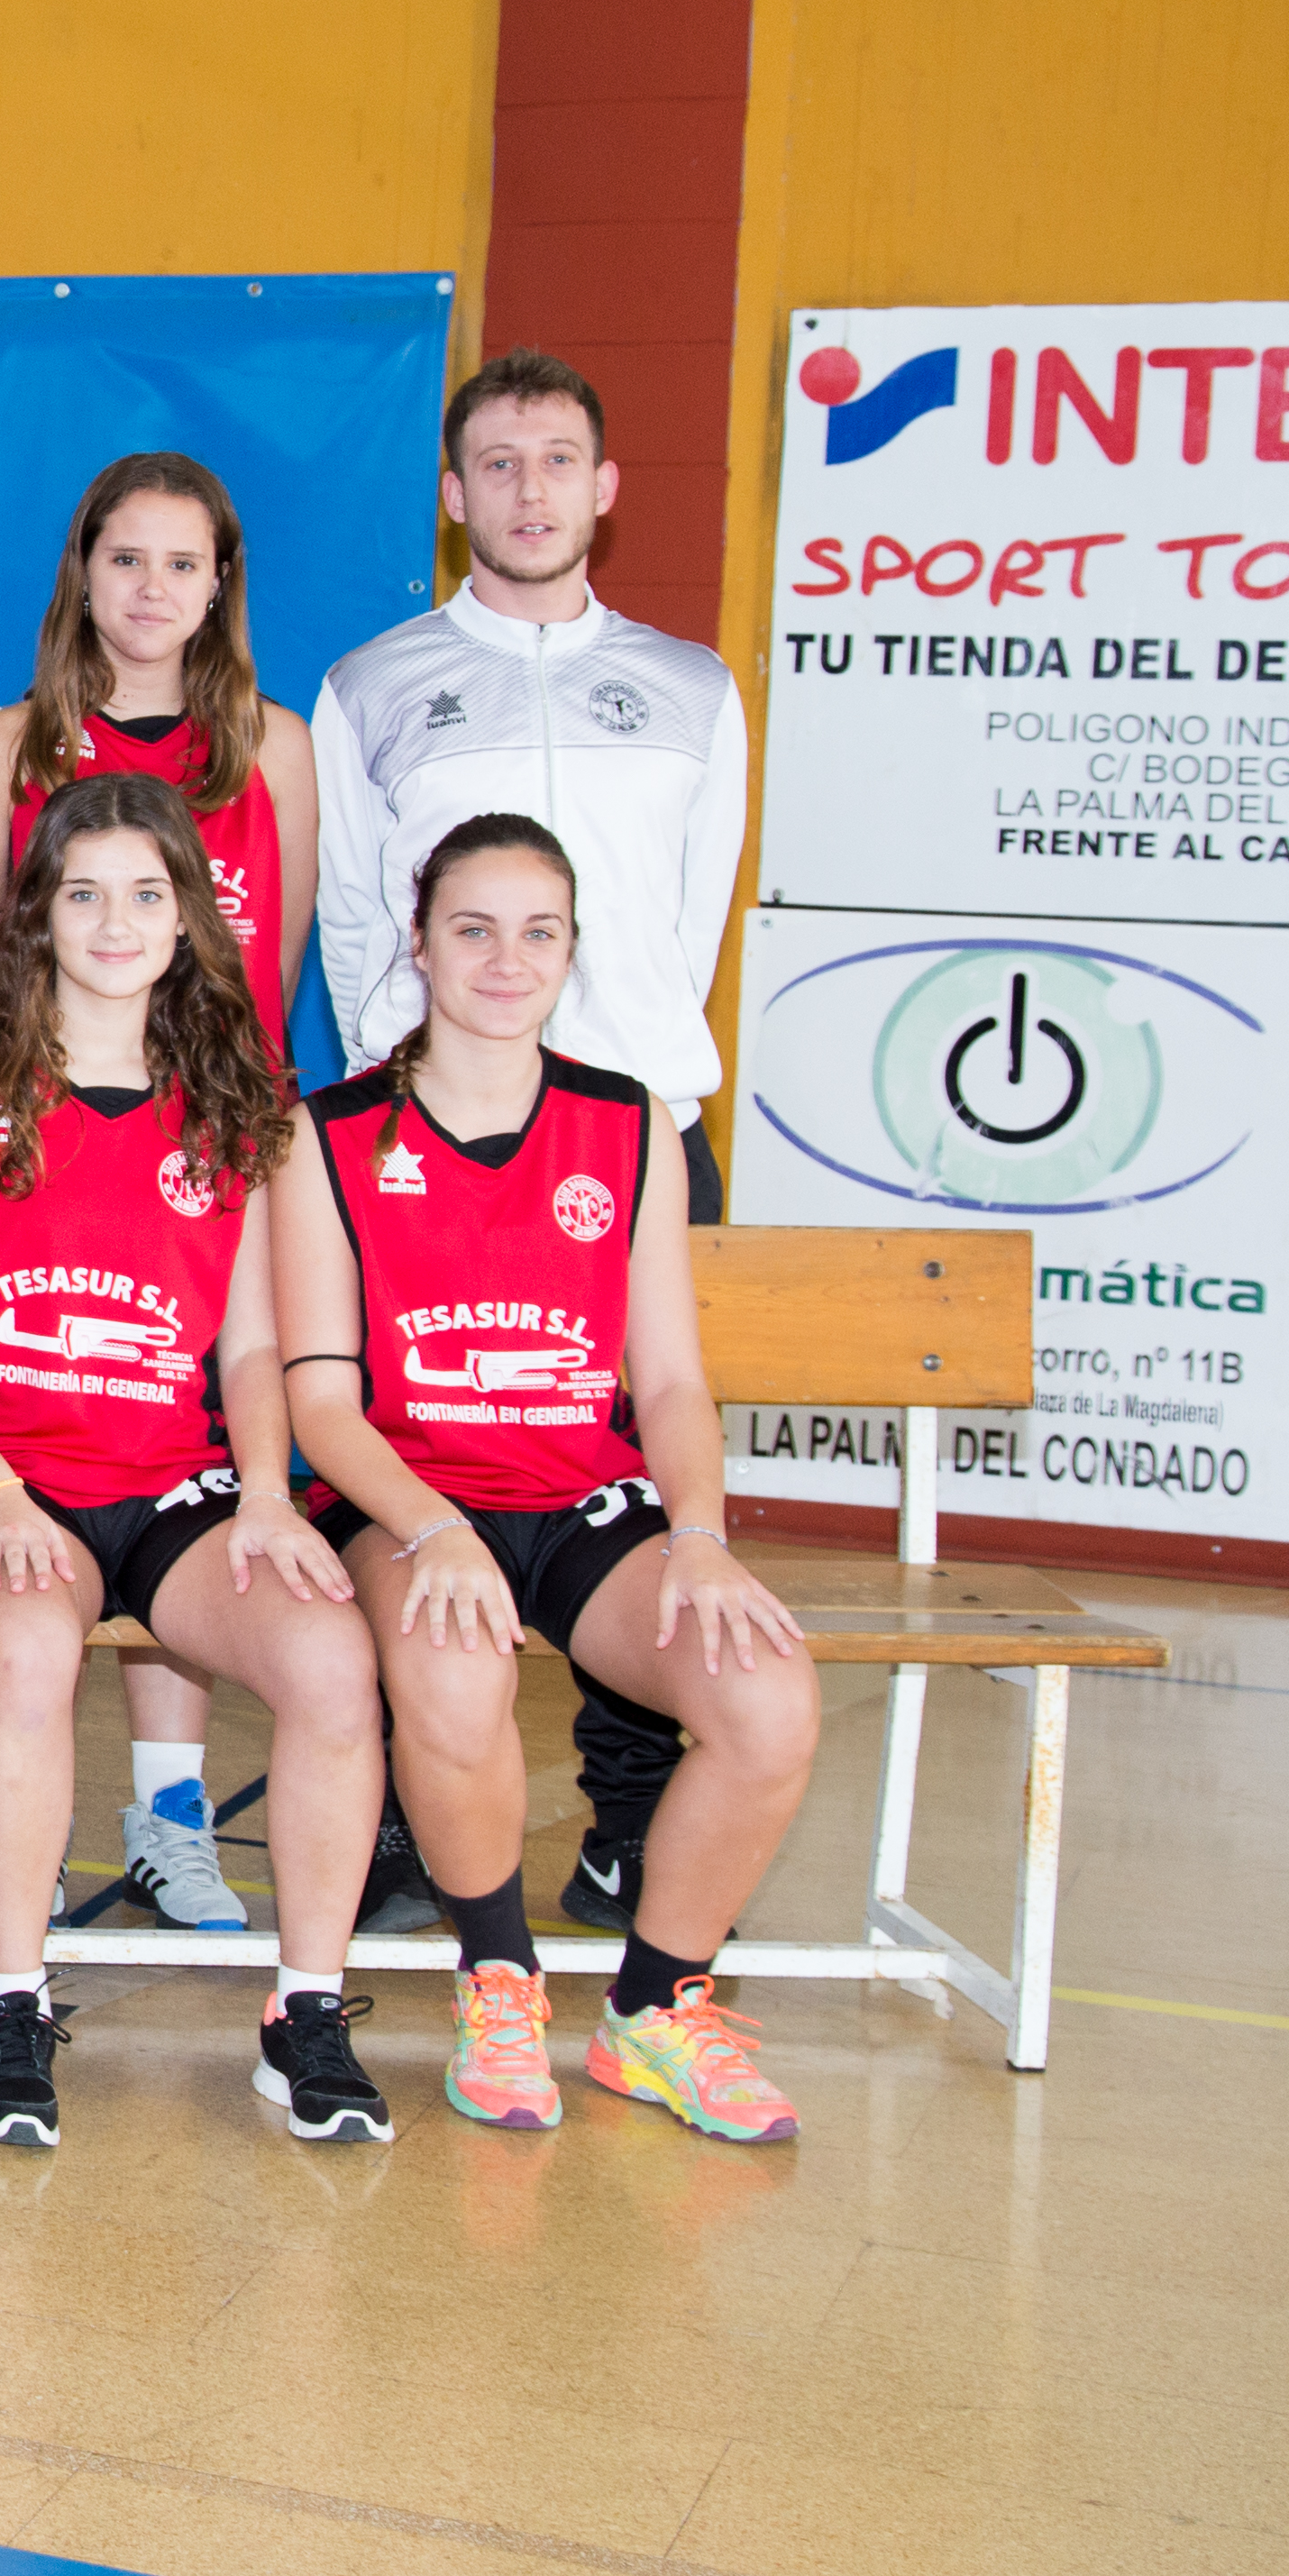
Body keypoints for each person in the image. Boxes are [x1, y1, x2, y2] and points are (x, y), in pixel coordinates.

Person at [275, 813, 817, 2143]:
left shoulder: (624, 1125)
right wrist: (433, 1524)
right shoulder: (328, 1135)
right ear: (419, 942)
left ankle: (654, 2010)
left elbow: (673, 1383)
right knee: (457, 1668)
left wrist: (699, 1534)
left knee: (769, 1699)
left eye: (539, 932)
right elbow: (323, 1405)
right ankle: (499, 1979)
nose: (506, 959)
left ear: (573, 952)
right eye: (473, 928)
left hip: (585, 1503)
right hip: (407, 1500)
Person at [312, 351, 754, 1941]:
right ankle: (403, 1823)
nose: (525, 491)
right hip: (422, 1154)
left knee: (621, 1466)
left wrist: (621, 1097)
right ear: (452, 494)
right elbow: (360, 929)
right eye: (493, 464)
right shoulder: (370, 684)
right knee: (412, 1460)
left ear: (602, 487)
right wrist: (410, 1118)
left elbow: (685, 933)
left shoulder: (696, 688)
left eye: (555, 460)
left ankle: (628, 1826)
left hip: (621, 1146)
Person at [0, 773, 390, 2153]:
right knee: (21, 1651)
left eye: (145, 893)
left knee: (330, 1659)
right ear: (39, 918)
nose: (116, 922)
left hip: (181, 1485)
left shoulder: (233, 1105)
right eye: (83, 894)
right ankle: (12, 2001)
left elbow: (254, 1350)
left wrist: (263, 1494)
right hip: (12, 1480)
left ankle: (303, 2009)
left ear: (190, 916)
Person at [0, 451, 320, 1940]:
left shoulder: (270, 746)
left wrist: (212, 1127)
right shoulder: (11, 742)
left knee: (173, 1440)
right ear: (81, 574)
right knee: (62, 1430)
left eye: (184, 561)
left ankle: (170, 1815)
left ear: (219, 583)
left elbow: (270, 964)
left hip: (202, 1140)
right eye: (125, 558)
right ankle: (16, 1829)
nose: (152, 587)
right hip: (47, 1120)